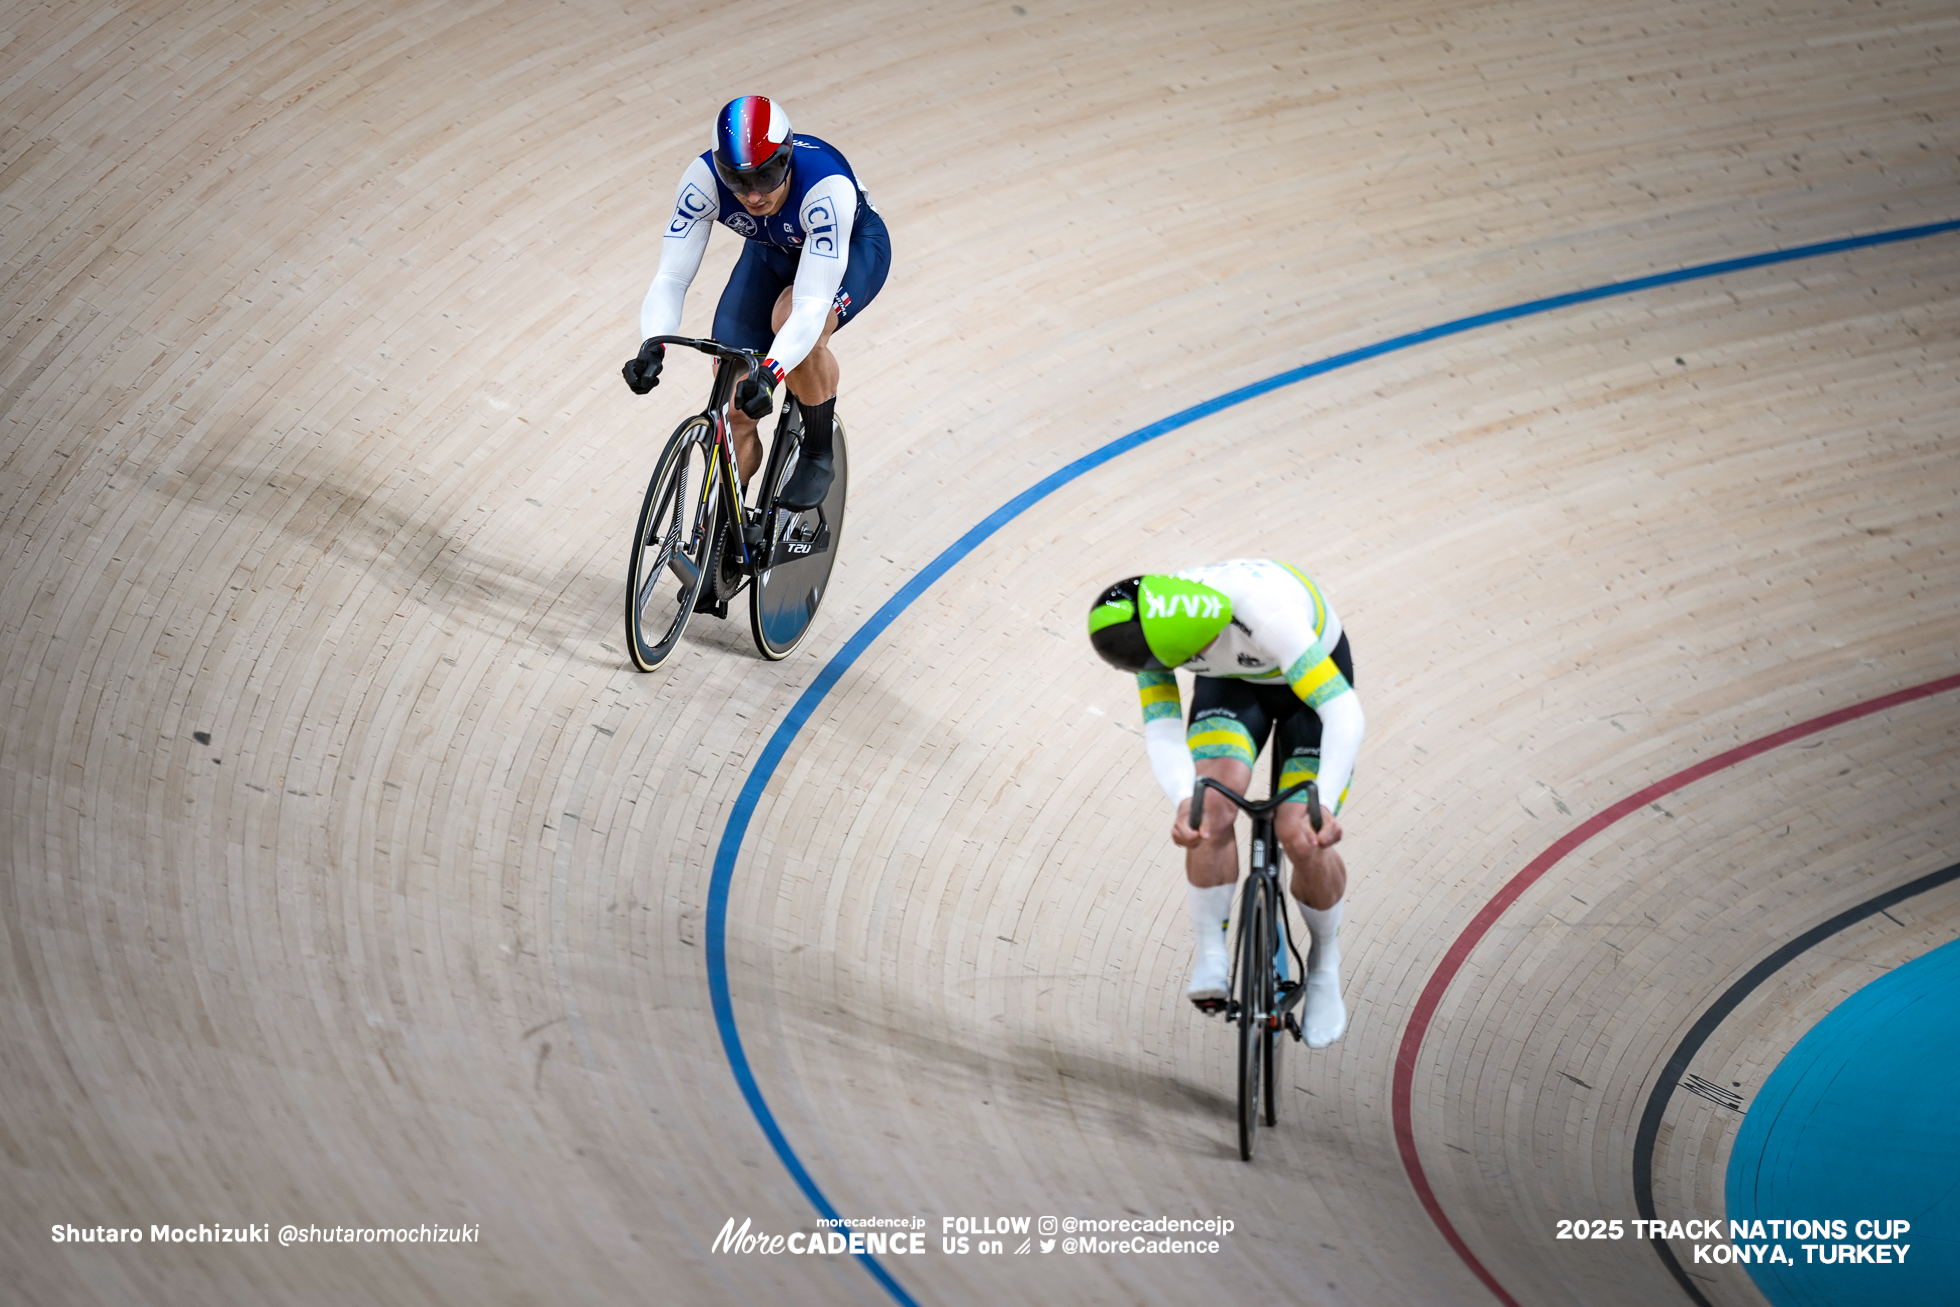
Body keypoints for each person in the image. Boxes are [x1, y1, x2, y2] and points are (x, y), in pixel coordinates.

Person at [1087, 560, 1365, 1047]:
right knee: (1208, 813)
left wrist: (1325, 802)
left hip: (1311, 698)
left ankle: (1324, 966)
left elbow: (1341, 712)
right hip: (1233, 688)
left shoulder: (1267, 612)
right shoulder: (1152, 628)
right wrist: (1184, 800)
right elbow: (1164, 727)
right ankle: (1212, 954)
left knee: (1301, 834)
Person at [622, 95, 891, 509]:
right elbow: (671, 278)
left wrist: (770, 373)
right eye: (738, 181)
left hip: (853, 251)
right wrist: (652, 344)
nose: (752, 195)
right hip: (771, 253)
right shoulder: (702, 180)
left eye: (765, 177)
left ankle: (818, 452)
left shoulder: (824, 188)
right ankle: (726, 525)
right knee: (735, 408)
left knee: (793, 324)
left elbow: (810, 305)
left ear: (786, 159)